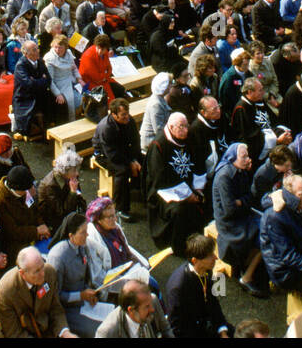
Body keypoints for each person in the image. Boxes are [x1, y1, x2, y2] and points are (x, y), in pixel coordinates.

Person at [146, 111, 208, 257]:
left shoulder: (189, 137)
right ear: (171, 127)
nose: (185, 130)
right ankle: (179, 247)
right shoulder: (158, 145)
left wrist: (198, 188)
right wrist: (187, 195)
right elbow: (160, 177)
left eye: (186, 126)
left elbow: (198, 162)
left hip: (189, 185)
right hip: (165, 190)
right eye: (181, 127)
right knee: (179, 210)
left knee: (206, 196)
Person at [211, 142, 267, 297]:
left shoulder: (241, 171)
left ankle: (249, 265)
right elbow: (229, 210)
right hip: (230, 222)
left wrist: (240, 201)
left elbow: (250, 196)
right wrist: (242, 202)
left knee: (269, 228)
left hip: (242, 215)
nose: (247, 159)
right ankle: (246, 277)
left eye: (247, 156)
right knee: (265, 235)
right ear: (233, 158)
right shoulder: (224, 176)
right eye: (243, 156)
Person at [0, 246, 75, 338]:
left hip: (47, 331)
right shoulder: (5, 291)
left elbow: (55, 309)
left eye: (42, 266)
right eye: (37, 271)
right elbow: (13, 332)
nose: (43, 273)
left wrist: (64, 332)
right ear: (22, 273)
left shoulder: (50, 273)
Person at [46, 212, 103, 336]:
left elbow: (84, 277)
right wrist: (81, 295)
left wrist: (88, 291)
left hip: (83, 303)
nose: (87, 235)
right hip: (66, 309)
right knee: (100, 330)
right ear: (71, 235)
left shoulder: (81, 246)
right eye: (83, 232)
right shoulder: (58, 257)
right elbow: (55, 295)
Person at [164, 232, 230, 338]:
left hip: (206, 322)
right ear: (195, 260)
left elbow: (212, 301)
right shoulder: (178, 287)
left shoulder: (207, 270)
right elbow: (176, 327)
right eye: (210, 256)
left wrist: (222, 331)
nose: (216, 258)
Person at [92, 98, 142, 221]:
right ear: (114, 114)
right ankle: (120, 208)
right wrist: (130, 162)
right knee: (122, 171)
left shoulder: (129, 121)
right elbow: (112, 155)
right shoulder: (107, 128)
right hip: (104, 154)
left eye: (127, 113)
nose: (127, 117)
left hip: (122, 150)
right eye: (123, 115)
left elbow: (136, 142)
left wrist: (134, 159)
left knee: (144, 160)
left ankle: (137, 188)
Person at [94, 278, 173, 338]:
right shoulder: (107, 332)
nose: (152, 309)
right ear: (131, 310)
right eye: (147, 307)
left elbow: (166, 329)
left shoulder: (153, 300)